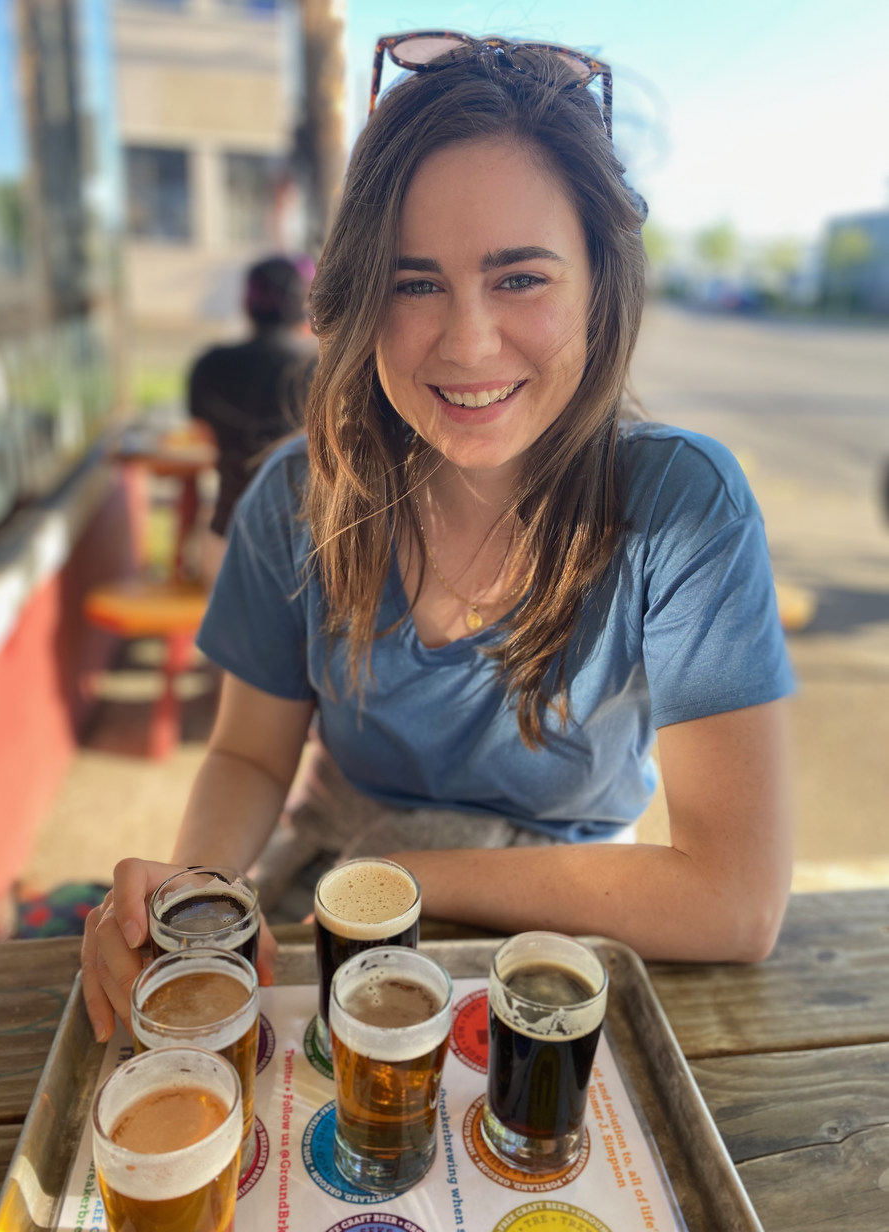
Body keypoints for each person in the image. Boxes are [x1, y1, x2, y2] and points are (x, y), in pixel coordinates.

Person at [82, 35, 793, 1041]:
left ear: (603, 282)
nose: (467, 342)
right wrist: (195, 894)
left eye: (521, 278)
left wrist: (403, 875)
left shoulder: (681, 507)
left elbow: (734, 900)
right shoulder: (299, 496)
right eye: (414, 284)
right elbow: (247, 755)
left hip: (568, 931)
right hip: (330, 897)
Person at [188, 254, 317, 585]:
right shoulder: (322, 371)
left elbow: (203, 438)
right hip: (306, 549)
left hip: (226, 542)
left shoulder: (209, 366)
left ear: (247, 305)